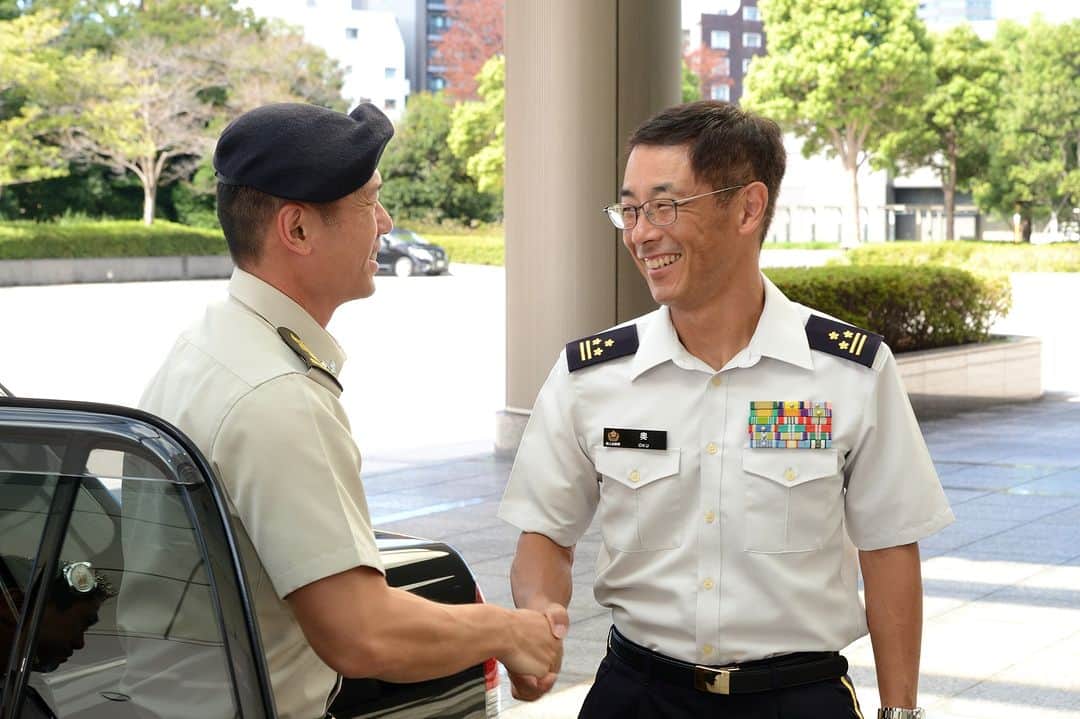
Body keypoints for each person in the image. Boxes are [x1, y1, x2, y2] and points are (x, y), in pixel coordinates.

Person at [499, 101, 954, 719]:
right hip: (636, 697)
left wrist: (900, 713)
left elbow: (889, 548)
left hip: (798, 700)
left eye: (665, 206)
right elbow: (546, 533)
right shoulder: (592, 376)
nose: (641, 233)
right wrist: (537, 612)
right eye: (630, 210)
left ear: (747, 207)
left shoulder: (849, 371)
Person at [138, 102, 567, 719]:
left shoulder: (210, 343)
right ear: (298, 230)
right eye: (369, 203)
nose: (387, 223)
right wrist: (509, 630)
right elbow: (363, 633)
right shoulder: (275, 395)